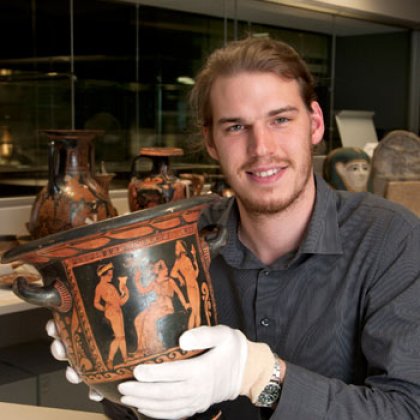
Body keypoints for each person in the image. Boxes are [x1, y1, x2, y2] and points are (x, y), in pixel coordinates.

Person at [47, 36, 420, 419]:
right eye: (236, 127)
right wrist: (115, 380)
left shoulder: (391, 240)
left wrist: (261, 375)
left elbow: (409, 409)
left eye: (280, 119)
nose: (261, 147)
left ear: (315, 124)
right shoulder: (177, 241)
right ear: (210, 141)